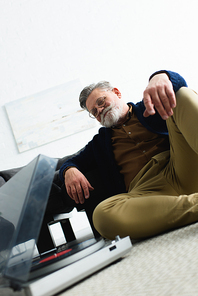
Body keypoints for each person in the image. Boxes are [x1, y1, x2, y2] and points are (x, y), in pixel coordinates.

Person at [59, 70, 198, 240]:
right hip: (147, 194)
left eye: (101, 101)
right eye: (94, 112)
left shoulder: (149, 107)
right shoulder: (100, 143)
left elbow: (178, 85)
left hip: (182, 168)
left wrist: (160, 76)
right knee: (102, 216)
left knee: (181, 95)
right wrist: (69, 170)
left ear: (116, 93)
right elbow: (73, 161)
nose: (100, 110)